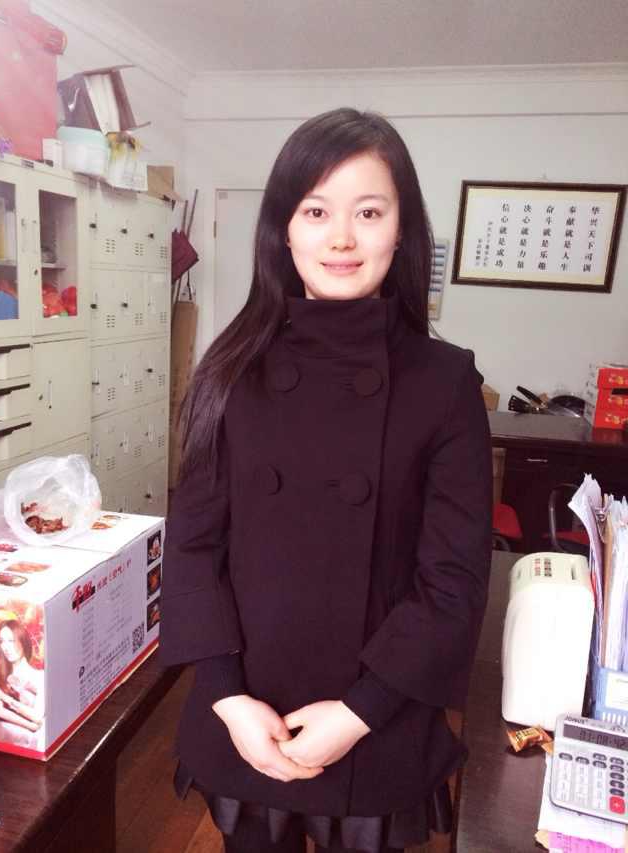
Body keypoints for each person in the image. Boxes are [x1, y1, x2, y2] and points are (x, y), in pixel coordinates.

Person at [160, 107, 492, 853]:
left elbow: (453, 579)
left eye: (368, 212)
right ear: (284, 229)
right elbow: (192, 548)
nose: (341, 238)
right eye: (316, 211)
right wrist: (225, 696)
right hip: (247, 714)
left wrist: (360, 711)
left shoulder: (445, 383)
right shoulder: (229, 370)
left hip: (377, 718)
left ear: (402, 231)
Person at [0, 619, 45, 748]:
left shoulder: (39, 675)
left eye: (11, 641)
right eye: (2, 641)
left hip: (27, 739)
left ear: (23, 641)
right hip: (2, 733)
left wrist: (2, 696)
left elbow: (37, 716)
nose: (6, 647)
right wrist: (30, 725)